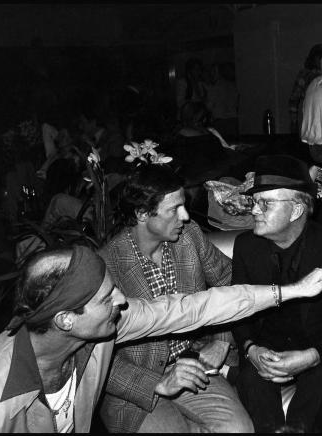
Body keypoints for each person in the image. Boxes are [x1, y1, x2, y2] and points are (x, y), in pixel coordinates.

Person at [0, 245, 322, 432]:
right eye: (107, 297)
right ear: (67, 319)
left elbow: (192, 307)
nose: (121, 300)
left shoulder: (104, 327)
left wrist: (291, 292)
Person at [96, 161, 252, 432]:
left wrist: (222, 339)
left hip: (194, 366)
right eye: (174, 209)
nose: (185, 216)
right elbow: (94, 359)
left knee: (239, 429)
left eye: (184, 205)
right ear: (143, 213)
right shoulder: (107, 265)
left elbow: (231, 281)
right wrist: (156, 382)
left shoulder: (189, 237)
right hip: (138, 386)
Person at [231, 155, 322, 432]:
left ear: (295, 210)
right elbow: (238, 306)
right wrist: (250, 348)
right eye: (254, 201)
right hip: (265, 348)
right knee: (252, 377)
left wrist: (314, 355)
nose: (254, 210)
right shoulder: (246, 246)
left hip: (321, 349)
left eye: (265, 203)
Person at [288, 43, 322, 135]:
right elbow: (293, 100)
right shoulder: (305, 75)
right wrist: (294, 122)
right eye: (320, 57)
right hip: (310, 123)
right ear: (314, 58)